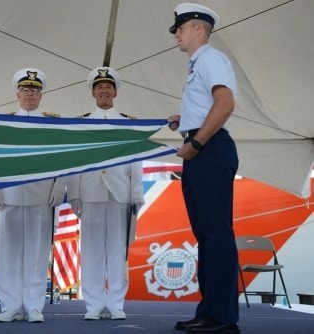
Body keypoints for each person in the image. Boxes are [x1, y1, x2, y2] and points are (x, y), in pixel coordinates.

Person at [166, 3, 240, 334]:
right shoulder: (198, 64)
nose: (177, 35)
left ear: (198, 28)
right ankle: (211, 312)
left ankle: (222, 317)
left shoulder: (210, 59)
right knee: (207, 236)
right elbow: (211, 106)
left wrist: (195, 143)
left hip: (208, 150)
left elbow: (225, 103)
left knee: (216, 235)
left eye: (180, 28)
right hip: (201, 149)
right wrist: (188, 123)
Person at [0, 68, 67, 323]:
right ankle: (10, 305)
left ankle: (34, 306)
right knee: (9, 254)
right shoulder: (2, 122)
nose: (30, 94)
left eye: (34, 90)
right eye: (25, 90)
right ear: (17, 95)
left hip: (41, 196)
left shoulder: (53, 123)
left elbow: (63, 160)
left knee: (37, 254)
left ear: (41, 95)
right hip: (9, 196)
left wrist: (58, 188)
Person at [66, 67, 145, 321]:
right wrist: (74, 194)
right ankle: (93, 304)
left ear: (115, 92)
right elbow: (74, 161)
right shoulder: (80, 123)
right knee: (91, 251)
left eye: (108, 87)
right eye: (99, 87)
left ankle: (116, 303)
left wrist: (136, 195)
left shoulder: (128, 123)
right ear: (92, 93)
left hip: (120, 193)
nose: (104, 91)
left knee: (117, 251)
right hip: (90, 192)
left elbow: (136, 161)